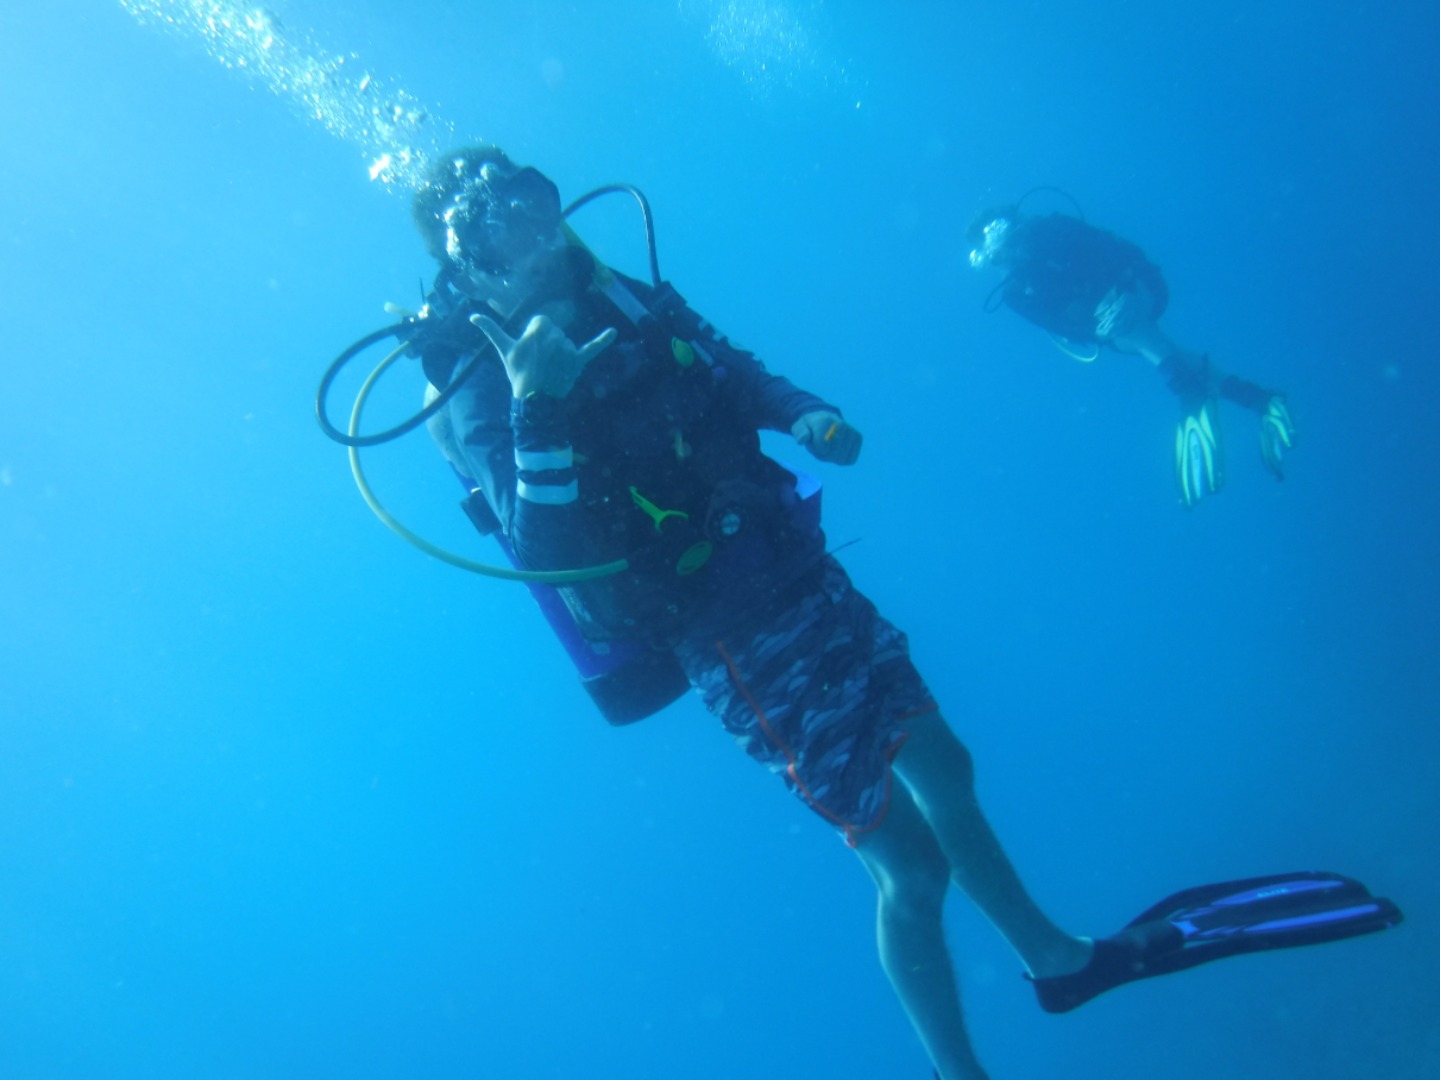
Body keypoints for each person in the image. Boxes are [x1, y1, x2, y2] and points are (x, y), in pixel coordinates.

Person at [383, 148, 1398, 1079]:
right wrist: (536, 401)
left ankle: (1057, 960)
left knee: (943, 761)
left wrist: (805, 413)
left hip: (793, 561)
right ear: (467, 262)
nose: (532, 230)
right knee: (907, 864)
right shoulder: (476, 379)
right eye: (497, 225)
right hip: (724, 633)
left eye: (532, 198)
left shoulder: (616, 288)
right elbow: (548, 558)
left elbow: (728, 367)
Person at [966, 204, 1298, 508]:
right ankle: (1257, 398)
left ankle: (1190, 397)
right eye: (999, 254)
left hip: (1140, 285)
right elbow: (1062, 327)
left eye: (1011, 240)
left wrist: (1124, 286)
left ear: (1016, 225)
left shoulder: (1052, 228)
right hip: (1109, 328)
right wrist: (1098, 330)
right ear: (991, 258)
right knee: (1147, 338)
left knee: (1130, 325)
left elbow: (1115, 249)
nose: (1011, 251)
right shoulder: (1015, 293)